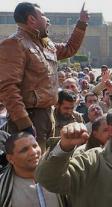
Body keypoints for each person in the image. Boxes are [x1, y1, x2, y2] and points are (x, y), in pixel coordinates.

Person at [0, 2, 89, 150]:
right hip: (31, 117)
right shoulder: (14, 44)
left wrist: (82, 24)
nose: (47, 19)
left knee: (46, 165)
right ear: (31, 20)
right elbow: (8, 88)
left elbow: (69, 49)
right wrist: (24, 123)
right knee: (33, 168)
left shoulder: (44, 44)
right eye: (43, 15)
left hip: (48, 115)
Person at [0, 132, 66, 206]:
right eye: (24, 150)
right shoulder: (3, 187)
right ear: (10, 159)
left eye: (35, 146)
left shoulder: (57, 176)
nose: (33, 152)